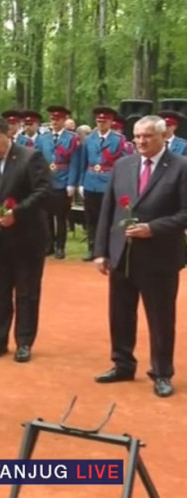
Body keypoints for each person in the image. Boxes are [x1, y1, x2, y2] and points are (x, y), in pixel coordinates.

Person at [93, 115, 187, 398]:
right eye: (137, 136)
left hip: (160, 257)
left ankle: (161, 372)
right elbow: (108, 210)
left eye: (147, 136)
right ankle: (122, 364)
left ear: (163, 136)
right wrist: (101, 251)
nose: (141, 141)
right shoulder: (123, 165)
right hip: (122, 254)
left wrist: (153, 228)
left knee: (160, 318)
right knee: (120, 314)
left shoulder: (181, 167)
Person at [0, 116, 51, 363]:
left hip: (28, 238)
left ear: (8, 135)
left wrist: (17, 213)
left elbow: (44, 192)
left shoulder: (30, 158)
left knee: (26, 292)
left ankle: (24, 342)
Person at [72, 106, 130, 261]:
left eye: (104, 121)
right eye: (98, 121)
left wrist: (120, 182)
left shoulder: (119, 140)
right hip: (90, 182)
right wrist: (81, 183)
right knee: (91, 218)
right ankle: (92, 248)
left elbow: (124, 163)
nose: (101, 124)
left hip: (109, 182)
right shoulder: (89, 139)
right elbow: (83, 162)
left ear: (110, 122)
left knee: (109, 217)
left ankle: (108, 249)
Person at [35, 106, 81, 259]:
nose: (54, 122)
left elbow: (74, 162)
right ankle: (49, 245)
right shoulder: (43, 138)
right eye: (52, 119)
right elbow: (38, 160)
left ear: (63, 121)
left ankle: (60, 246)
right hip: (47, 181)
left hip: (63, 180)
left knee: (61, 217)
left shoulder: (72, 138)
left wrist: (71, 183)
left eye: (57, 119)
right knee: (47, 216)